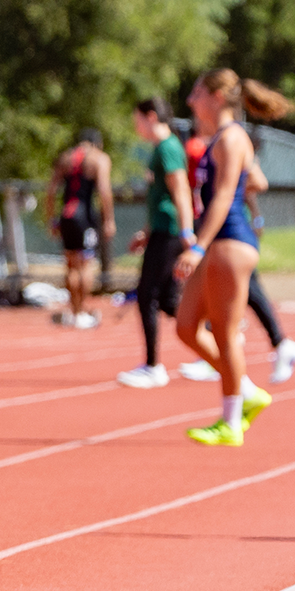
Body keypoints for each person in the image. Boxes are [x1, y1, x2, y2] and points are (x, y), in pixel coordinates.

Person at [174, 70, 290, 446]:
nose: (191, 101)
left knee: (224, 333)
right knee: (186, 327)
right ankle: (246, 391)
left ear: (218, 96)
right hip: (219, 243)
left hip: (229, 242)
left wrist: (197, 245)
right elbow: (257, 180)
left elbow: (224, 197)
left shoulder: (233, 137)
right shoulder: (223, 140)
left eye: (197, 93)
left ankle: (231, 421)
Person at [176, 131, 295, 384]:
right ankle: (277, 344)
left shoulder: (217, 143)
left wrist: (233, 193)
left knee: (229, 297)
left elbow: (256, 182)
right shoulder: (215, 144)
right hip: (224, 229)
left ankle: (237, 369)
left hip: (227, 230)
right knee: (242, 292)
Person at [117, 98, 193, 388]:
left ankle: (152, 366)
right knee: (170, 301)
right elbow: (160, 198)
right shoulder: (160, 150)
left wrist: (187, 232)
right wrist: (147, 232)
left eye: (137, 119)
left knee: (147, 294)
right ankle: (217, 334)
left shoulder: (168, 148)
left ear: (151, 117)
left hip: (171, 232)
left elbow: (181, 191)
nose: (135, 126)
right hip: (161, 230)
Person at [46, 127, 114, 329]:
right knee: (86, 264)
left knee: (70, 265)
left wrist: (51, 219)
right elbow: (104, 190)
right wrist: (108, 219)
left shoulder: (65, 157)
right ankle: (82, 310)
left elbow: (51, 191)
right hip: (85, 216)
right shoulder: (99, 158)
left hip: (66, 215)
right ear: (97, 143)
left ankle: (74, 311)